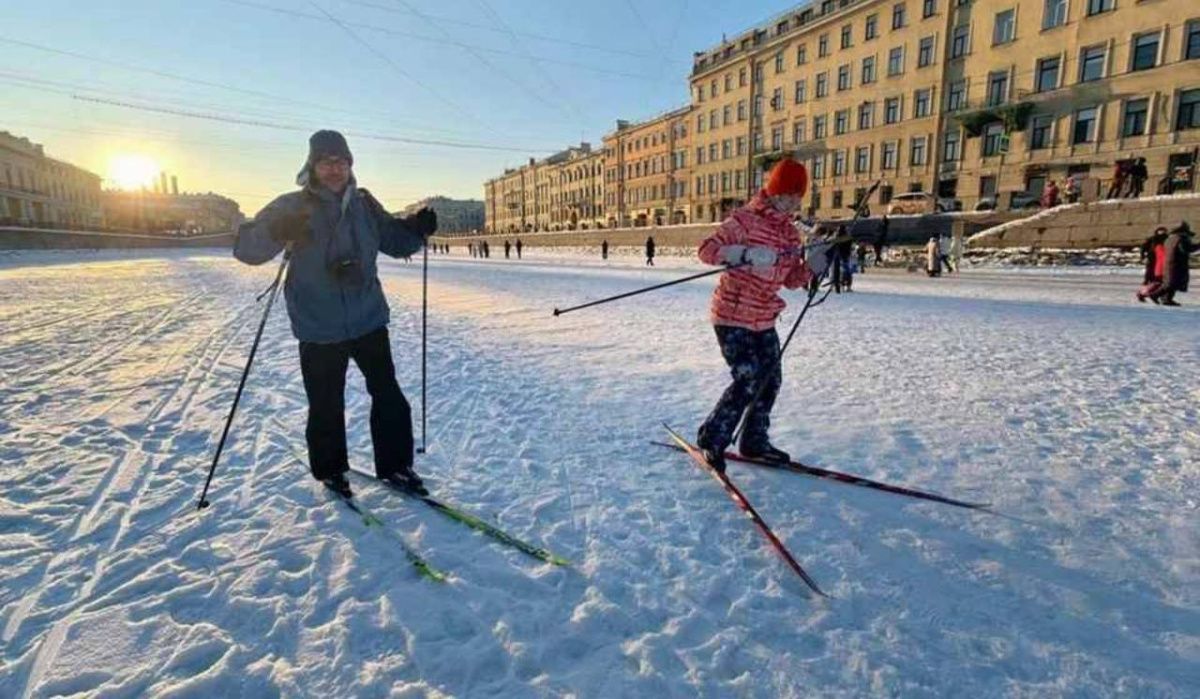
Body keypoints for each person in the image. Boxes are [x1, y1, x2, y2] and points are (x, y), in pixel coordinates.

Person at [233, 130, 435, 498]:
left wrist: (417, 230)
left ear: (350, 164)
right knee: (326, 401)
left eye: (341, 161)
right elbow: (246, 248)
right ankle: (330, 470)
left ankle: (396, 465)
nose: (334, 169)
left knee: (387, 393)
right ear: (312, 165)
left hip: (368, 316)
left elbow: (395, 242)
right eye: (326, 161)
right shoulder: (291, 205)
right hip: (318, 323)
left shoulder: (364, 204)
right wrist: (277, 231)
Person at [694, 157, 825, 473]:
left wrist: (813, 265)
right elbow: (706, 250)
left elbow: (791, 280)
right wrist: (744, 254)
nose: (792, 203)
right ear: (773, 190)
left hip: (764, 317)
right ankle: (712, 437)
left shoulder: (791, 235)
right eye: (787, 195)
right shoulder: (743, 221)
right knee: (748, 376)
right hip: (731, 314)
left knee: (769, 380)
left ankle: (754, 442)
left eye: (797, 197)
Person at [1152, 223, 1198, 306]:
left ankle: (1167, 299)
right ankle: (1155, 295)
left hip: (1170, 262)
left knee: (1171, 282)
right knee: (1171, 283)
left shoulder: (1170, 238)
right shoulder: (1180, 238)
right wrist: (1198, 246)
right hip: (1177, 264)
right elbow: (1185, 249)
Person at [1137, 227, 1168, 303]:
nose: (1162, 233)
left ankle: (1146, 293)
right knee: (1155, 280)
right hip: (1153, 261)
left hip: (1158, 261)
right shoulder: (1153, 239)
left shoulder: (1166, 239)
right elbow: (1143, 247)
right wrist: (1143, 256)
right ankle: (1144, 293)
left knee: (1157, 281)